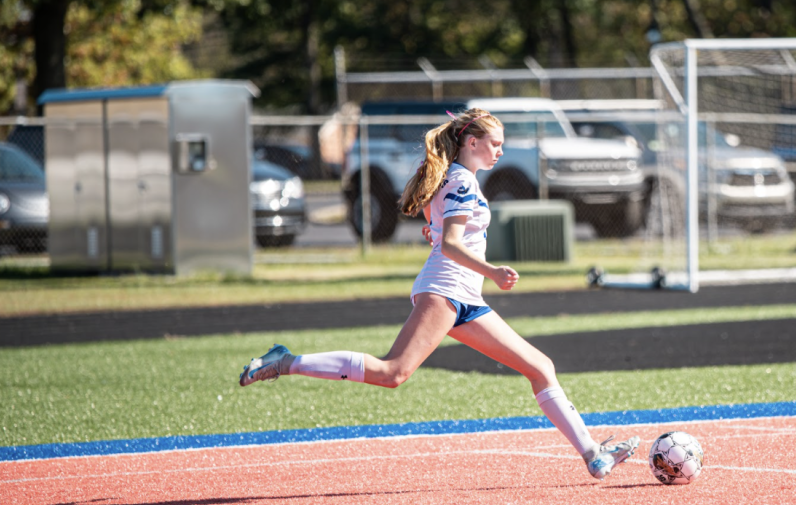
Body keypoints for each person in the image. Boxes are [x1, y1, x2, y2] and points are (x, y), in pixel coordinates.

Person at [238, 107, 640, 480]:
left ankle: (593, 454)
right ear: (472, 143)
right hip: (445, 291)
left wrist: (448, 242)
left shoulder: (454, 177)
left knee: (539, 367)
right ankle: (284, 362)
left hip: (464, 297)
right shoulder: (462, 180)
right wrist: (493, 271)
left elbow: (438, 231)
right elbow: (449, 243)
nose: (500, 150)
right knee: (393, 373)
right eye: (494, 143)